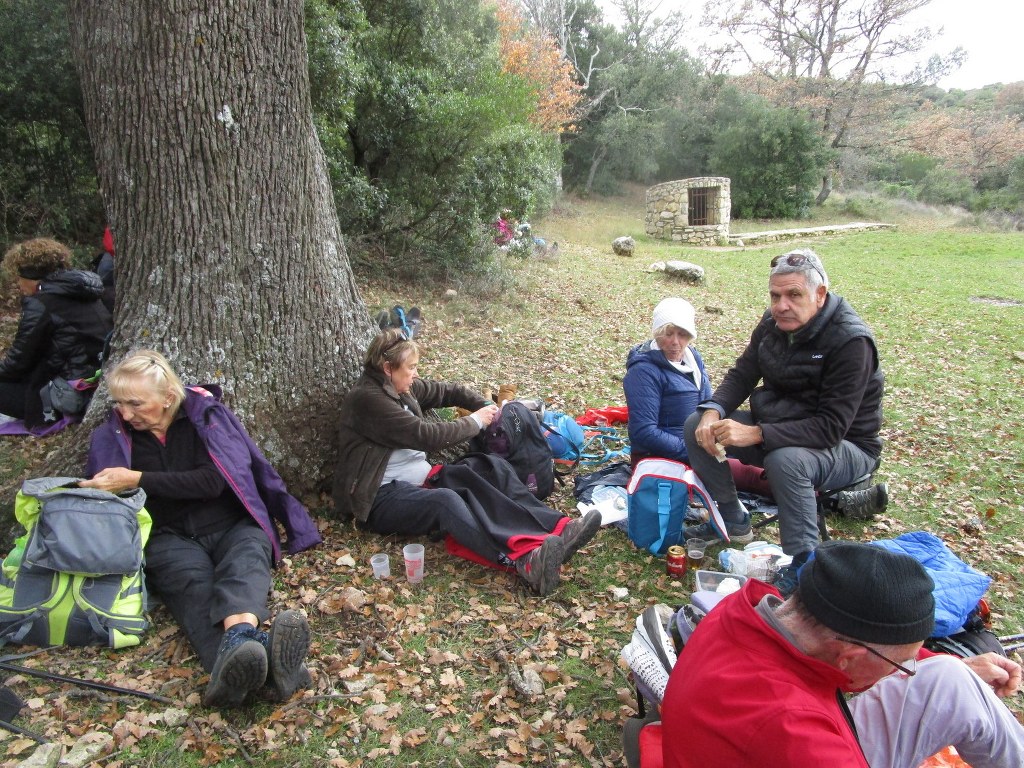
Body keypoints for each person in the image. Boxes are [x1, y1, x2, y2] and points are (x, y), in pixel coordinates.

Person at [81, 350, 322, 707]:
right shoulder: (114, 436)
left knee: (244, 566)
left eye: (135, 403)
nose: (126, 413)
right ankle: (268, 669)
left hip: (231, 523)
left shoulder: (205, 420)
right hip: (168, 536)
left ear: (167, 398)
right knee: (194, 589)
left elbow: (212, 482)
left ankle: (237, 670)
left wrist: (137, 479)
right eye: (119, 404)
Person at [660, 541, 1024, 768]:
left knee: (950, 678)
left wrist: (956, 663)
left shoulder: (748, 609)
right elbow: (792, 735)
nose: (905, 670)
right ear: (847, 655)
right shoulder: (792, 728)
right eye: (901, 665)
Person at [331, 328, 601, 596]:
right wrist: (475, 421)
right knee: (446, 502)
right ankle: (525, 562)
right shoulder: (368, 400)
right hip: (380, 497)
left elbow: (449, 391)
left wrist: (490, 409)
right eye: (410, 368)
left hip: (422, 478)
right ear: (388, 368)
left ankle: (559, 529)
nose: (415, 374)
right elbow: (426, 436)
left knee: (491, 468)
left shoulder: (401, 387)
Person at [682, 248, 888, 592]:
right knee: (696, 426)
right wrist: (713, 410)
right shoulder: (773, 323)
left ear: (820, 294)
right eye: (775, 295)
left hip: (847, 445)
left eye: (794, 295)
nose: (782, 305)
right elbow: (744, 373)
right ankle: (734, 520)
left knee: (786, 460)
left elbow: (831, 428)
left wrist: (757, 433)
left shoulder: (851, 341)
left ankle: (804, 568)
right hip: (781, 423)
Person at [0, 238, 112, 426]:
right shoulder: (84, 292)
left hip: (70, 394)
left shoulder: (42, 303)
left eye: (20, 277)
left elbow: (19, 361)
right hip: (98, 384)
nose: (19, 284)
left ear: (30, 277)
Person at [623, 297, 711, 467]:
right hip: (662, 457)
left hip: (700, 445)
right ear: (657, 334)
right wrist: (693, 452)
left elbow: (708, 404)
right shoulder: (643, 371)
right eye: (668, 334)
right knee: (751, 476)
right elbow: (644, 432)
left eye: (682, 334)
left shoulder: (693, 359)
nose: (675, 342)